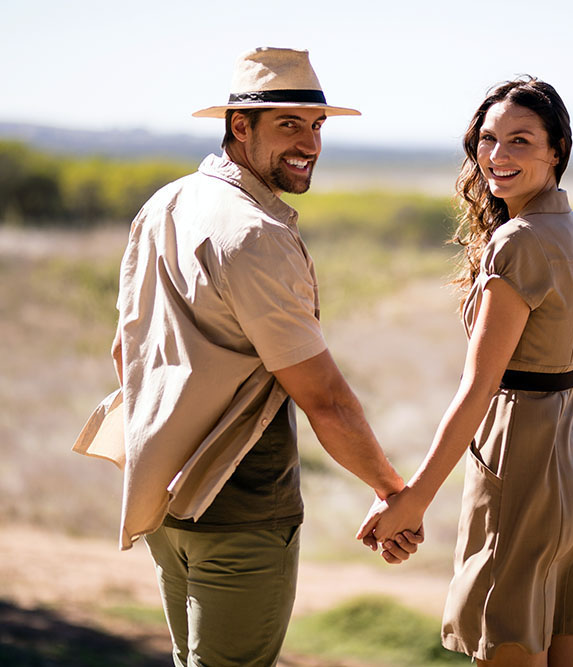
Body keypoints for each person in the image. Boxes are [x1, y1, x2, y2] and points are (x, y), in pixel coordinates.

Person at [73, 47, 421, 667]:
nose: (309, 142)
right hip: (242, 507)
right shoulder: (255, 233)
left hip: (166, 496)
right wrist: (394, 493)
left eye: (316, 126)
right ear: (240, 126)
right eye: (289, 123)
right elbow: (326, 398)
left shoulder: (165, 204)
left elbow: (128, 350)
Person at [357, 77, 573, 666]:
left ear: (557, 152)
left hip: (524, 473)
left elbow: (478, 388)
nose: (498, 156)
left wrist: (415, 499)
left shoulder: (520, 242)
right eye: (489, 139)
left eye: (520, 141)